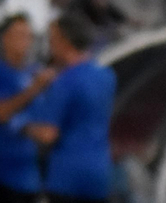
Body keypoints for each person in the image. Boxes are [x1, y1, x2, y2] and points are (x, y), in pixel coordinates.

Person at [15, 12, 116, 203]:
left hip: (67, 177)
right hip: (99, 172)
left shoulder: (64, 81)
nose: (50, 46)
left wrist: (21, 127)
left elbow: (48, 133)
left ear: (65, 40)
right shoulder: (107, 76)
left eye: (52, 40)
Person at [0, 15, 51, 203]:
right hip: (0, 177)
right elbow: (0, 112)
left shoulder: (32, 73)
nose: (24, 41)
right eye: (18, 34)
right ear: (4, 38)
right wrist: (35, 89)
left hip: (30, 178)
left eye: (28, 35)